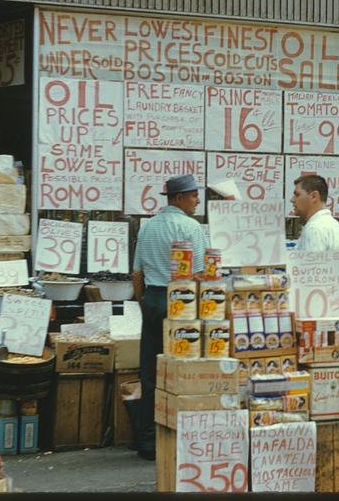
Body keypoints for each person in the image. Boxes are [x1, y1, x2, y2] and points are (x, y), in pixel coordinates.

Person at [131, 175, 207, 461]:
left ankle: (149, 441)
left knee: (151, 372)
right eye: (193, 195)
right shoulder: (191, 227)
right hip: (182, 301)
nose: (197, 200)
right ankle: (180, 439)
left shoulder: (147, 226)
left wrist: (144, 303)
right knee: (182, 370)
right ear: (179, 198)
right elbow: (199, 275)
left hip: (152, 298)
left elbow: (136, 273)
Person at [290, 175, 339, 257]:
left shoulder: (314, 229)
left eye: (297, 195)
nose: (292, 200)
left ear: (313, 196)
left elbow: (310, 268)